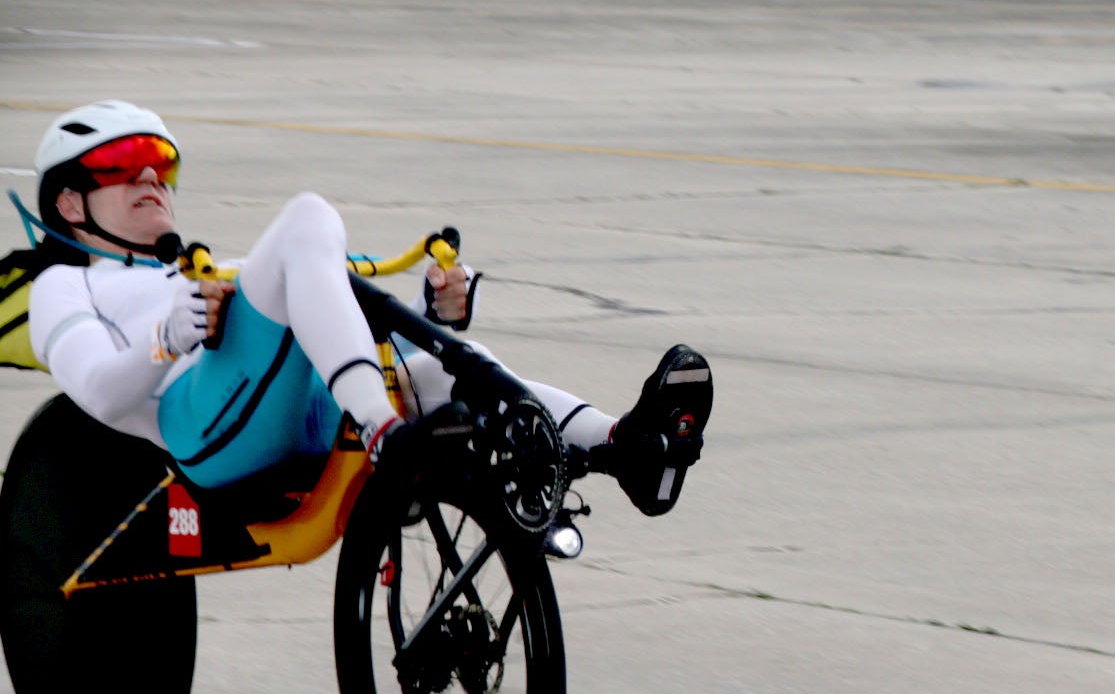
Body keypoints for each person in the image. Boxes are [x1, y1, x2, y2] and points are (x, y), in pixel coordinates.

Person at [21, 100, 710, 513]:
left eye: (161, 164)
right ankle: (384, 431)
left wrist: (427, 311)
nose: (151, 178)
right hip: (203, 433)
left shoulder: (186, 268)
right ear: (69, 202)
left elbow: (328, 320)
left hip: (290, 409)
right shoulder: (65, 285)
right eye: (122, 164)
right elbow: (99, 395)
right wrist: (166, 341)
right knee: (305, 222)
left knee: (443, 373)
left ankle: (626, 446)